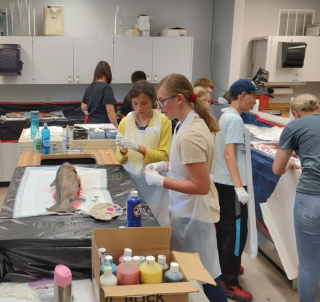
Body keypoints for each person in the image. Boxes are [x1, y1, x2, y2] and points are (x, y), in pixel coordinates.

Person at [145, 73, 227, 301]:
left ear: (179, 98)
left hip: (194, 215)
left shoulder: (190, 134)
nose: (160, 107)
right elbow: (188, 165)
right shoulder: (188, 123)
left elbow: (199, 185)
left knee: (206, 275)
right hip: (187, 209)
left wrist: (161, 180)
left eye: (162, 101)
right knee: (199, 273)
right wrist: (166, 165)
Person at [213, 79, 263, 302]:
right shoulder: (233, 119)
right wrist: (239, 186)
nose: (256, 101)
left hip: (224, 183)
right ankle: (229, 281)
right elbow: (229, 154)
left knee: (225, 230)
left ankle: (225, 267)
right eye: (254, 96)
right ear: (243, 95)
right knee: (235, 233)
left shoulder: (227, 116)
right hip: (231, 186)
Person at [273, 94, 320, 302]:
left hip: (311, 196)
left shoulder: (294, 127)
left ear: (295, 113)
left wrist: (291, 163)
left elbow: (277, 169)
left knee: (309, 262)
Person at [115, 80, 172, 225]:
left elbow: (164, 157)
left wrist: (139, 148)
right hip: (129, 183)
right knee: (130, 222)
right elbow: (120, 160)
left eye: (144, 103)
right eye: (135, 103)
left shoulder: (163, 121)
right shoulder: (126, 122)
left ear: (153, 101)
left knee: (152, 225)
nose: (139, 107)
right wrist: (122, 151)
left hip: (153, 185)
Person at [81, 61, 118, 128]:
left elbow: (83, 107)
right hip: (103, 127)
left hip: (91, 125)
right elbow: (110, 110)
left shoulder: (89, 87)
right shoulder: (107, 88)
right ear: (108, 73)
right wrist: (117, 128)